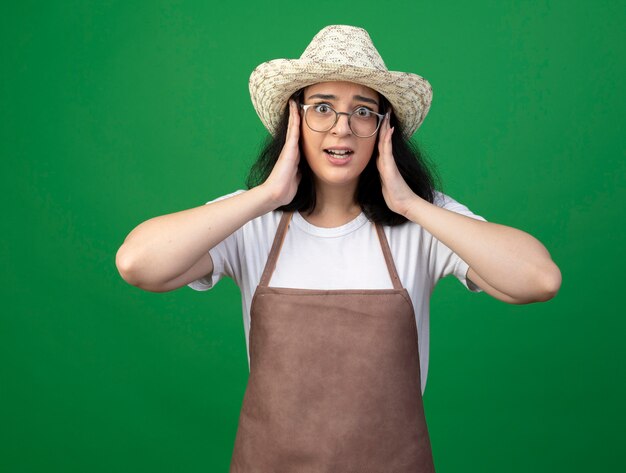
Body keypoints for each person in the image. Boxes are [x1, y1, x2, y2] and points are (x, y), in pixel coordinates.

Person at [116, 25, 561, 472]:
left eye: (363, 111)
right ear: (293, 120)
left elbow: (538, 279)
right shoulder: (251, 220)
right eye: (322, 108)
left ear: (385, 128)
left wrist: (409, 203)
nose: (342, 128)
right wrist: (267, 195)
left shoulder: (423, 222)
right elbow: (138, 264)